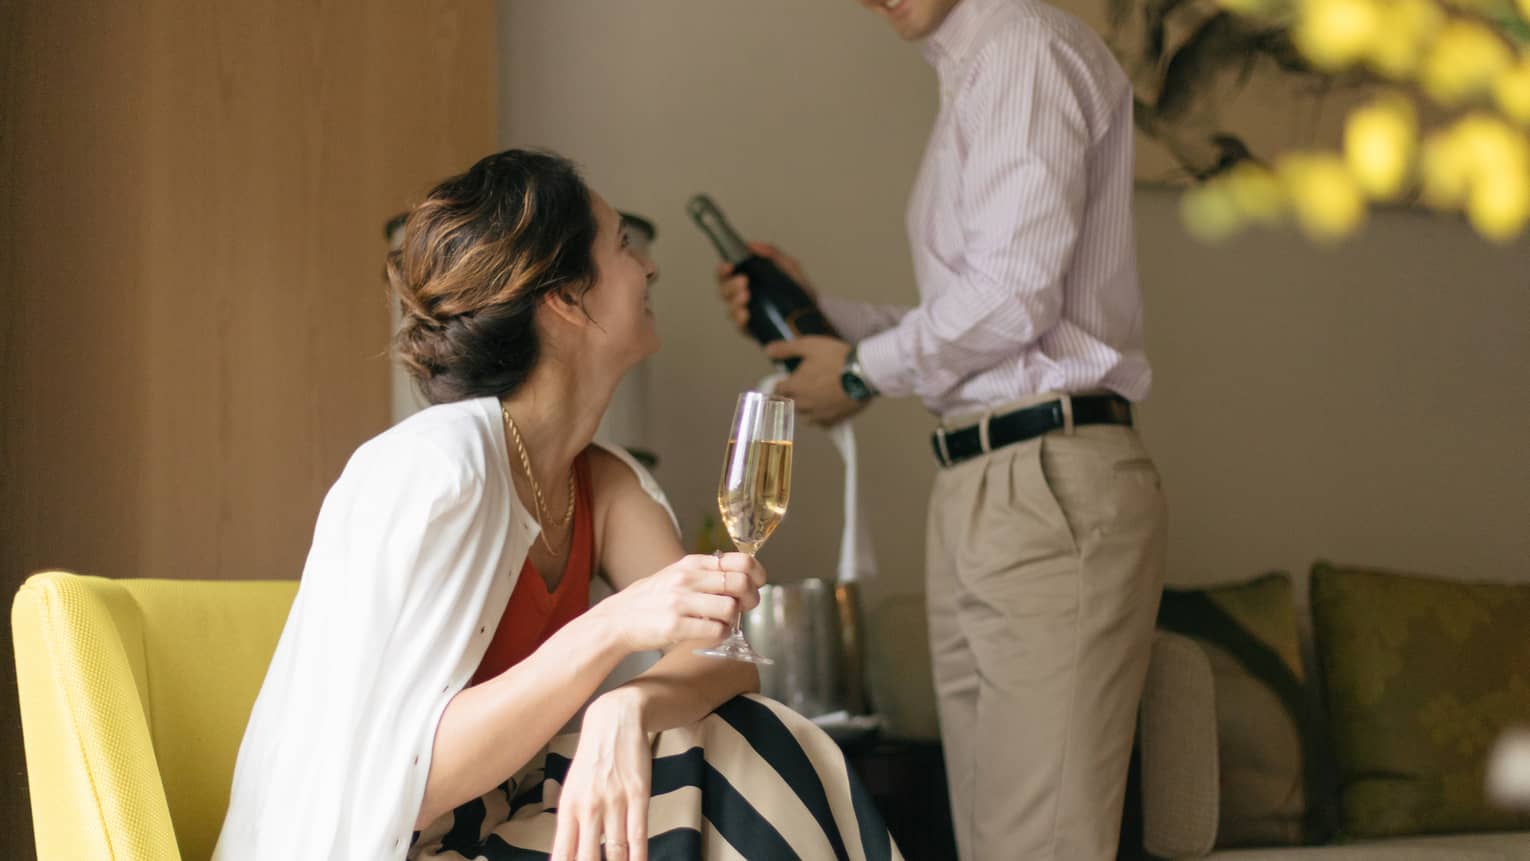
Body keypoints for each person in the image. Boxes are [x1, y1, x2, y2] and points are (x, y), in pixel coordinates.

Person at [216, 149, 900, 861]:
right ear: (567, 298)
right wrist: (608, 628)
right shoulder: (434, 470)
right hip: (394, 843)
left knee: (741, 734)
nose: (650, 269)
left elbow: (725, 656)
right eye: (624, 248)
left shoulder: (598, 482)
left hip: (507, 820)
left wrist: (627, 706)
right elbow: (396, 783)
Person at [716, 1, 1168, 858]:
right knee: (999, 838)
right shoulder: (976, 69)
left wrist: (856, 370)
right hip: (986, 477)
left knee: (1042, 841)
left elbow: (1011, 298)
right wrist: (821, 323)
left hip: (1045, 476)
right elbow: (983, 312)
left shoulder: (1025, 50)